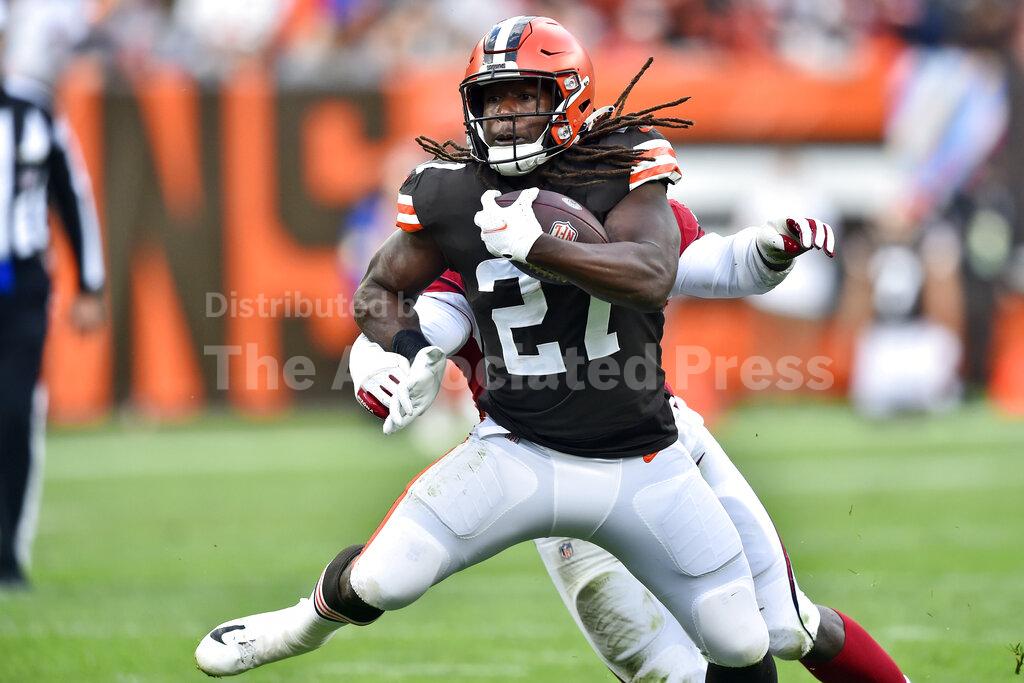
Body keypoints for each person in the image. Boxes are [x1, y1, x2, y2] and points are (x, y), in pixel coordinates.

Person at [196, 16, 812, 681]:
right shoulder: (456, 193)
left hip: (641, 454)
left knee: (739, 639)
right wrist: (405, 351)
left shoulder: (622, 172)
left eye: (525, 95)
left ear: (570, 97)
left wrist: (542, 246)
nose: (507, 115)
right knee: (386, 577)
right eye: (493, 99)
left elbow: (654, 275)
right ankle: (297, 627)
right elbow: (381, 289)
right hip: (519, 448)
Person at [350, 201, 906, 683]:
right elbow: (421, 324)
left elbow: (716, 264)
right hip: (551, 474)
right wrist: (384, 362)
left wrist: (767, 250)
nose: (510, 129)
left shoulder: (629, 198)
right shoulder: (467, 222)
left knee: (787, 624)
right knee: (667, 674)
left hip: (658, 449)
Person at [0, 68, 106, 587]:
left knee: (15, 413)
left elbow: (73, 196)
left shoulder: (35, 112)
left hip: (21, 285)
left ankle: (6, 553)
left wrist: (89, 284)